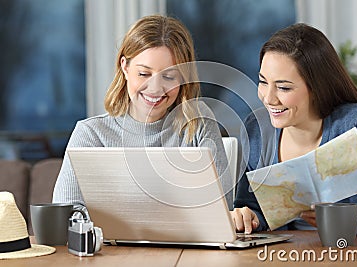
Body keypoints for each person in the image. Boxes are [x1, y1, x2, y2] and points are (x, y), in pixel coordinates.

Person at [231, 23, 357, 235]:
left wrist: (354, 219)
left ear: (316, 87)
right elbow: (254, 209)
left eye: (284, 87)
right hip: (281, 255)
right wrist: (248, 217)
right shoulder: (256, 129)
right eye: (263, 82)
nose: (268, 98)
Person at [52, 15, 233, 212]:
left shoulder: (197, 124)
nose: (155, 88)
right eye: (144, 74)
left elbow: (220, 207)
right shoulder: (91, 134)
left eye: (169, 76)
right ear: (125, 67)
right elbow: (66, 212)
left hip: (185, 244)